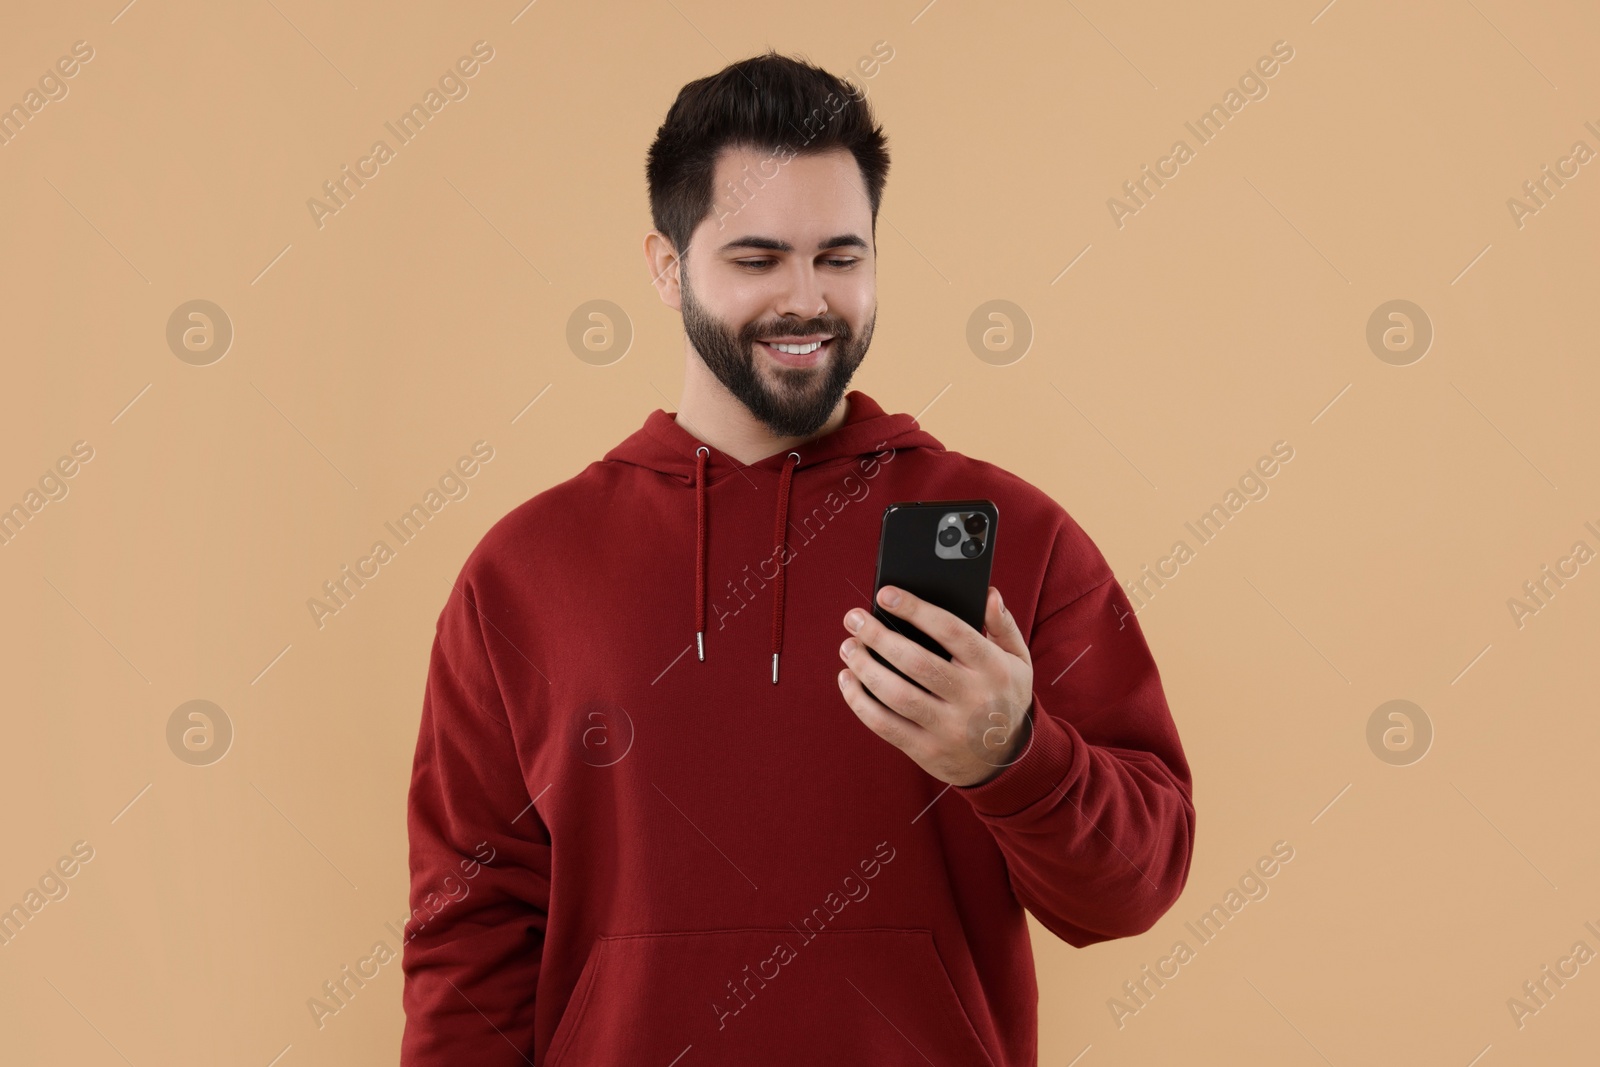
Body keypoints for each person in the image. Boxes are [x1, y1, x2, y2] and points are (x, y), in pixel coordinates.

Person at [400, 50, 1194, 1067]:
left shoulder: (1014, 534)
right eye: (757, 257)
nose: (806, 300)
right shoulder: (525, 569)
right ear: (664, 263)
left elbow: (1136, 885)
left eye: (839, 256)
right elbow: (470, 936)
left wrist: (1012, 757)